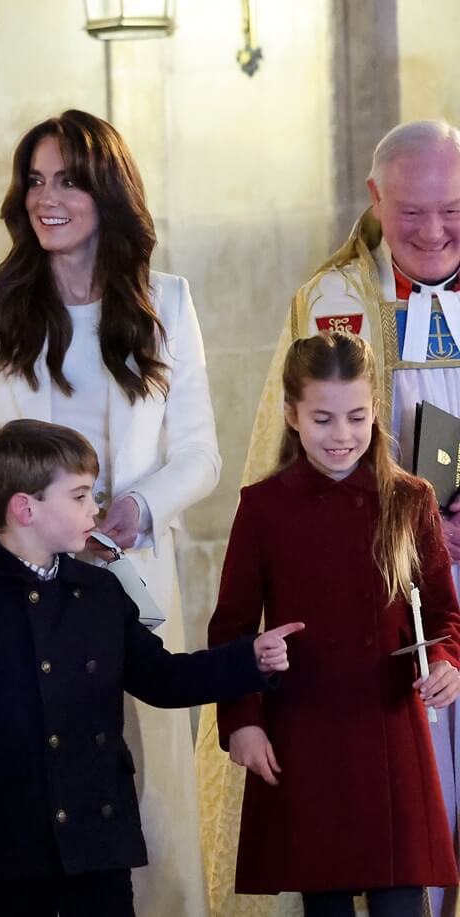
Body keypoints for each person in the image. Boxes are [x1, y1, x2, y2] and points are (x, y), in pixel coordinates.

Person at [0, 109, 220, 917]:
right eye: (35, 180)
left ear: (108, 190)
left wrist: (138, 506)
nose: (47, 197)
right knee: (24, 778)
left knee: (144, 794)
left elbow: (200, 453)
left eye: (68, 180)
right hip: (19, 584)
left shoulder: (169, 301)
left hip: (130, 579)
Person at [196, 120, 460, 917]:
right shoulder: (330, 301)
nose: (436, 230)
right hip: (381, 584)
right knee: (400, 813)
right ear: (377, 200)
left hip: (429, 569)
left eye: (452, 208)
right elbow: (289, 486)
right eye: (413, 212)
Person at [0, 419, 299, 917]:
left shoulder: (100, 592)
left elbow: (162, 677)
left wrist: (248, 659)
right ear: (25, 508)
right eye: (78, 495)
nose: (94, 507)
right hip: (11, 836)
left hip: (97, 831)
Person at [209, 331, 460, 916]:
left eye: (355, 416)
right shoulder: (264, 506)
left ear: (375, 407)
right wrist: (242, 721)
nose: (342, 436)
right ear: (292, 415)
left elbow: (446, 611)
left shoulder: (410, 499)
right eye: (323, 419)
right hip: (305, 732)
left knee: (402, 899)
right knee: (324, 902)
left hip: (391, 732)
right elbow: (232, 628)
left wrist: (448, 660)